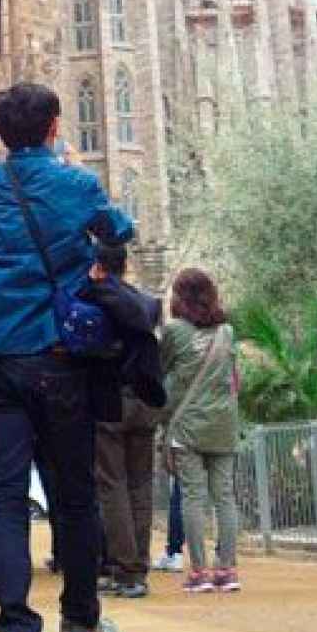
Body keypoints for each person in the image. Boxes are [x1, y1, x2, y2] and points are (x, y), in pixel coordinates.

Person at [0, 82, 133, 632]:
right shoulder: (75, 184)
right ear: (55, 125)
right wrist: (74, 180)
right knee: (73, 493)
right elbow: (119, 230)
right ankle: (80, 622)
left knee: (1, 497)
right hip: (60, 357)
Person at [81, 240, 167, 599]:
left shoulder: (92, 299)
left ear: (97, 266)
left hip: (110, 402)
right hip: (145, 400)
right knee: (139, 484)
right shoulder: (147, 303)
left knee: (111, 484)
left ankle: (124, 568)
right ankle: (139, 565)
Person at [159, 268, 242, 594]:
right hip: (224, 424)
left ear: (179, 297)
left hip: (188, 425)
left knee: (193, 497)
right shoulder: (227, 332)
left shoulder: (175, 331)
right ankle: (228, 568)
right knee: (225, 497)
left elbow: (161, 368)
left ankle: (199, 571)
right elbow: (234, 379)